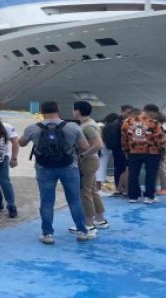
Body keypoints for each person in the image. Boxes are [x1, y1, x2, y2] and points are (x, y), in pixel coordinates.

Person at [19, 101, 92, 244]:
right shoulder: (72, 126)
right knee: (74, 200)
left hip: (44, 168)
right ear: (58, 110)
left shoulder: (33, 128)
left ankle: (47, 234)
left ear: (41, 111)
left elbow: (21, 143)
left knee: (47, 202)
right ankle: (82, 231)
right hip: (69, 167)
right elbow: (85, 146)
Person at [72, 101, 108, 237]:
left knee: (85, 192)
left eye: (73, 109)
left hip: (88, 161)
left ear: (78, 111)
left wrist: (82, 155)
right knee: (92, 191)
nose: (72, 111)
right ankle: (100, 219)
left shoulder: (87, 126)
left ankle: (88, 224)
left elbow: (98, 144)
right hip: (92, 160)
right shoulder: (90, 123)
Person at [121, 104, 166, 204]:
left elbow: (124, 138)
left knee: (133, 174)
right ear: (150, 112)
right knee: (151, 174)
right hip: (152, 152)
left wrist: (126, 150)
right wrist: (162, 150)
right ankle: (149, 197)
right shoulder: (153, 122)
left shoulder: (127, 122)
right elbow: (159, 138)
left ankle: (133, 196)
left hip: (133, 151)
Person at [103, 105, 133, 196]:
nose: (129, 115)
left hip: (119, 148)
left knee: (121, 168)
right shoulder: (119, 124)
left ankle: (121, 187)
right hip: (120, 148)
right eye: (128, 112)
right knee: (121, 168)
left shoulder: (116, 123)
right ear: (122, 111)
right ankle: (120, 187)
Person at [97, 113, 120, 196]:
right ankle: (98, 189)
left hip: (103, 149)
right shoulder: (102, 126)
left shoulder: (101, 125)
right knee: (101, 168)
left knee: (101, 168)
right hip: (102, 149)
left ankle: (98, 188)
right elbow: (101, 137)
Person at [151, 111, 166, 196]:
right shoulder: (163, 127)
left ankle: (165, 188)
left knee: (161, 169)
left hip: (163, 151)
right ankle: (155, 187)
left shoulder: (163, 128)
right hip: (158, 151)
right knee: (156, 170)